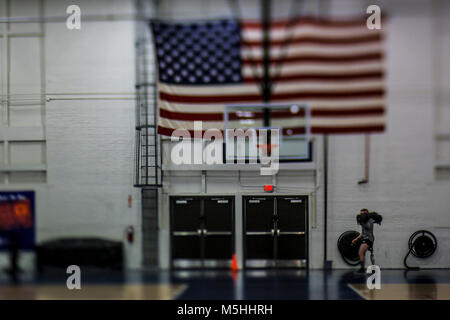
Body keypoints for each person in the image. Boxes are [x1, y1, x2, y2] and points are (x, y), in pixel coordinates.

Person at [352, 208, 376, 273]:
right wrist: (356, 239)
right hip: (366, 238)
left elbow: (368, 227)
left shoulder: (369, 220)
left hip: (368, 239)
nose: (361, 215)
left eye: (363, 214)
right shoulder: (364, 220)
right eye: (361, 214)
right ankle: (373, 269)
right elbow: (363, 232)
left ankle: (362, 269)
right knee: (366, 253)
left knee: (360, 252)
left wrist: (362, 222)